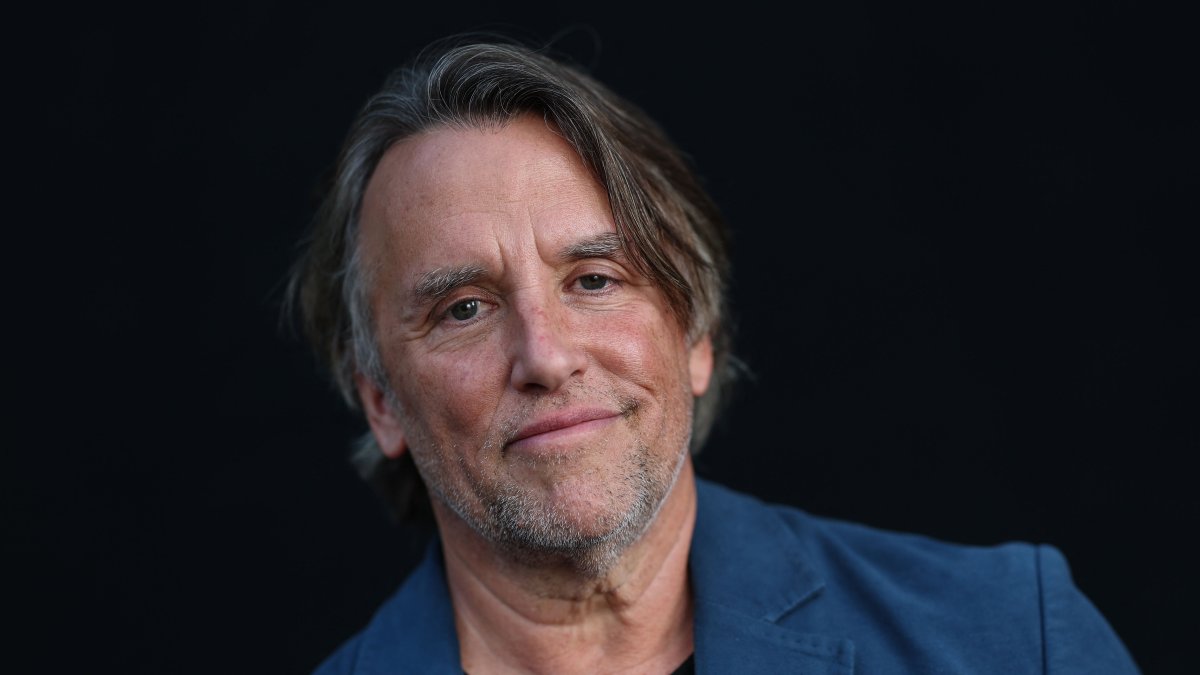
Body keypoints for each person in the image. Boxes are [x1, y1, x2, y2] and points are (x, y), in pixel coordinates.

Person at [289, 39, 1139, 674]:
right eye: (464, 307)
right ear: (380, 401)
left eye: (594, 279)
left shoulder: (1014, 640)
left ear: (696, 334)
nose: (545, 355)